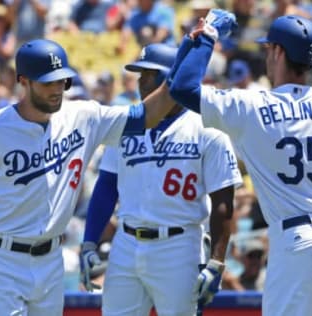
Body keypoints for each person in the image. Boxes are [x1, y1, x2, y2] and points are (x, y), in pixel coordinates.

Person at [0, 38, 182, 315]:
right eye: (47, 82)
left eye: (61, 81)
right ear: (24, 81)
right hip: (0, 258)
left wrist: (185, 64)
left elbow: (147, 115)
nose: (56, 89)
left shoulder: (83, 115)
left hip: (51, 258)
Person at [165, 10, 312, 316]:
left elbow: (181, 88)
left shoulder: (250, 105)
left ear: (279, 52)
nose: (266, 55)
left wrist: (208, 34)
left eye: (268, 48)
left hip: (297, 243)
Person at [79, 43, 242, 315]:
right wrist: (88, 242)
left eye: (148, 74)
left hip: (180, 246)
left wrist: (216, 261)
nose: (141, 81)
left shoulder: (207, 127)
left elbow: (223, 200)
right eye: (140, 74)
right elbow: (106, 186)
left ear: (171, 78)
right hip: (126, 243)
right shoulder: (125, 124)